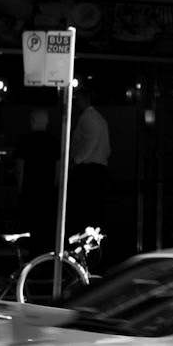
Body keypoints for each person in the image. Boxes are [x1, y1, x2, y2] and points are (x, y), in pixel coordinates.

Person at [12, 105, 59, 251]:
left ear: (32, 120)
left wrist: (20, 187)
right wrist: (55, 185)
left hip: (30, 190)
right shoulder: (54, 142)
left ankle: (32, 257)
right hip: (48, 191)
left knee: (30, 228)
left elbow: (20, 167)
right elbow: (59, 169)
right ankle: (45, 257)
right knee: (46, 229)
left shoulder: (25, 141)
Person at [67, 83, 110, 238]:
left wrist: (76, 160)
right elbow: (105, 147)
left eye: (78, 99)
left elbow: (90, 143)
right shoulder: (99, 118)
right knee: (95, 211)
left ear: (86, 99)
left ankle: (86, 241)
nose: (76, 103)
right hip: (98, 168)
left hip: (89, 171)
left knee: (85, 210)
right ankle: (93, 240)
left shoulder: (88, 119)